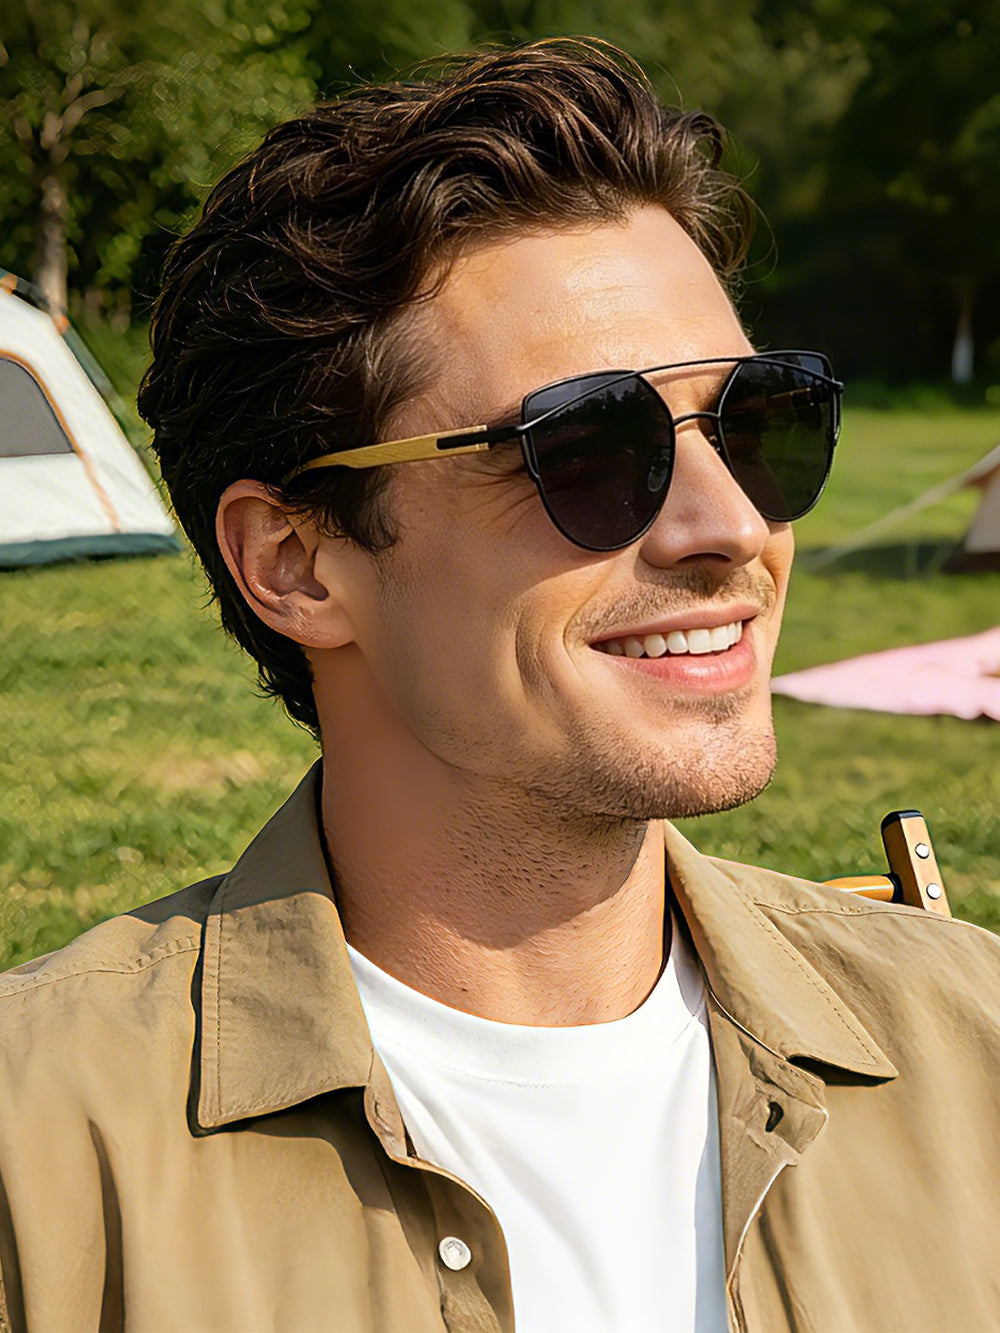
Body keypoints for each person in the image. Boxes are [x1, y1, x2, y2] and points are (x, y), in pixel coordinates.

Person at [2, 37, 999, 1333]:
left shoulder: (972, 1050)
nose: (733, 525)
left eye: (758, 421)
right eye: (588, 447)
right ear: (296, 562)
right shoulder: (41, 1160)